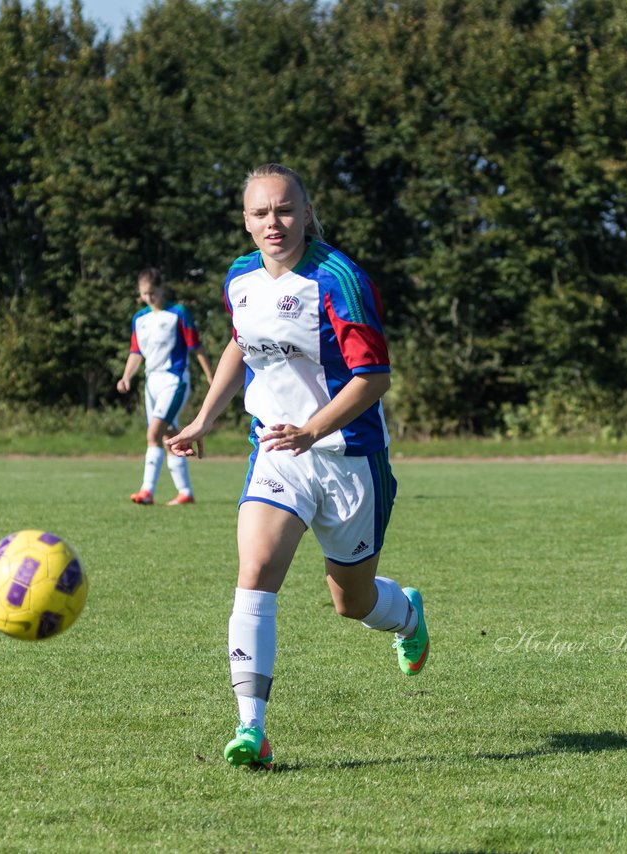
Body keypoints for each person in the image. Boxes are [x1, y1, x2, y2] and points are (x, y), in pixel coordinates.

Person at [166, 163, 428, 770]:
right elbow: (240, 342)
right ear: (246, 221)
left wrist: (314, 429)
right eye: (261, 213)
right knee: (255, 569)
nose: (274, 223)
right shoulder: (239, 277)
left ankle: (407, 613)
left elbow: (374, 378)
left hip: (347, 458)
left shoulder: (340, 280)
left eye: (285, 210)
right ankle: (250, 729)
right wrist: (206, 419)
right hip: (277, 452)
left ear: (307, 213)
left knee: (352, 602)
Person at [116, 267, 214, 506]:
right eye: (143, 293)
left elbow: (196, 347)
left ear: (161, 288)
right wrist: (127, 376)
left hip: (174, 380)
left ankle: (146, 491)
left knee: (153, 434)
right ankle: (185, 492)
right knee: (168, 436)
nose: (149, 297)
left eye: (152, 292)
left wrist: (212, 377)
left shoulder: (178, 313)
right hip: (152, 382)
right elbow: (136, 351)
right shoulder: (140, 319)